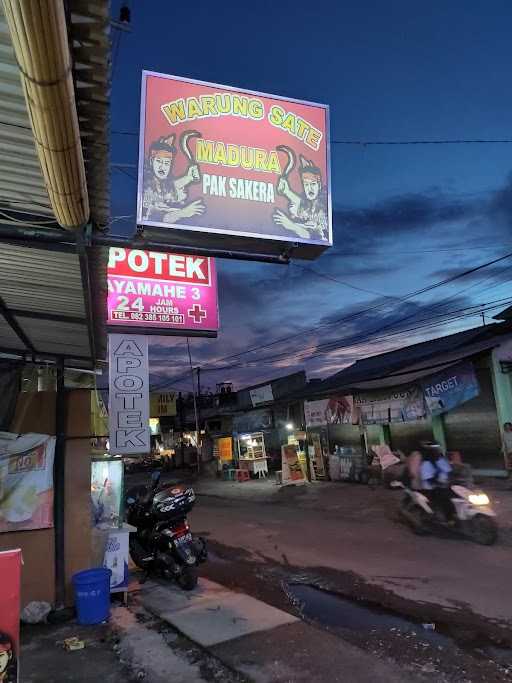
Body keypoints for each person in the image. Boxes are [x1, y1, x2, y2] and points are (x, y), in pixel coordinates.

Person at [273, 155, 328, 240]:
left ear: (319, 185)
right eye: (306, 185)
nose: (310, 188)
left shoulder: (324, 203)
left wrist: (291, 225)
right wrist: (286, 191)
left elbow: (313, 237)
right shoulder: (310, 205)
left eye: (313, 184)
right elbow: (304, 205)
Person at [420, 443, 453, 521]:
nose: (438, 451)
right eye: (435, 450)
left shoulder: (442, 461)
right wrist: (441, 484)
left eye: (438, 450)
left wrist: (451, 481)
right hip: (431, 489)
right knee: (446, 500)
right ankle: (448, 519)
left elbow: (449, 472)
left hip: (444, 487)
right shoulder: (426, 464)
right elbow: (430, 480)